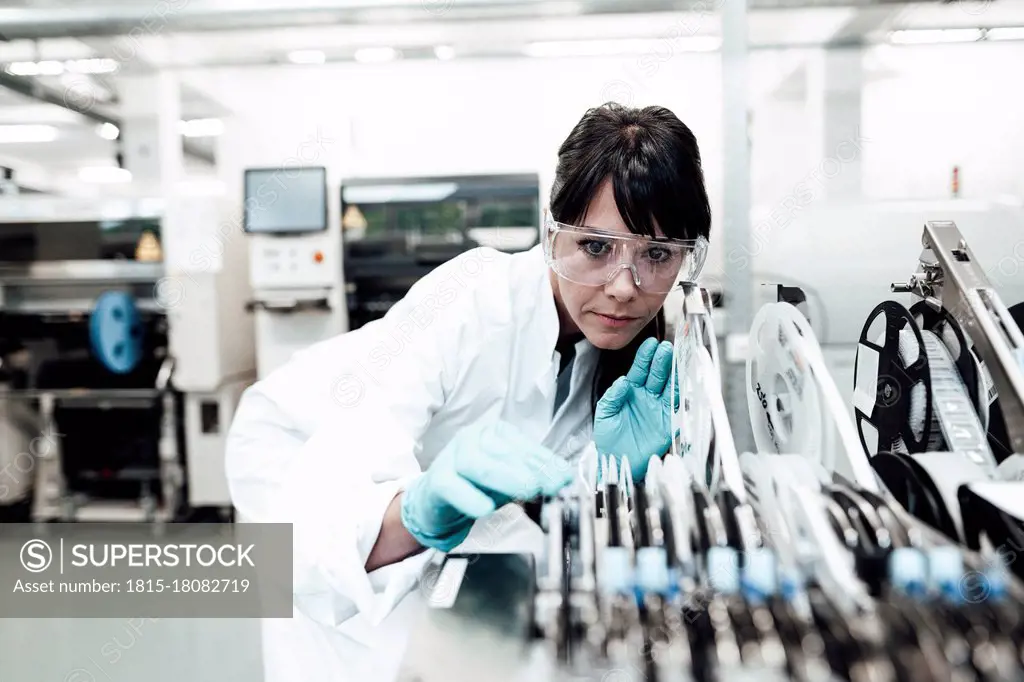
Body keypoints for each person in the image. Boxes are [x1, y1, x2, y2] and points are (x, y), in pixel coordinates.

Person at [224, 102, 712, 682]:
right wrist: (420, 511)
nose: (625, 288)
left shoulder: (626, 356)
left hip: (413, 520)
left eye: (657, 255)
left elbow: (545, 484)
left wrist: (605, 479)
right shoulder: (469, 301)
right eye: (596, 248)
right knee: (362, 651)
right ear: (554, 237)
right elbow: (345, 469)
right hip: (302, 472)